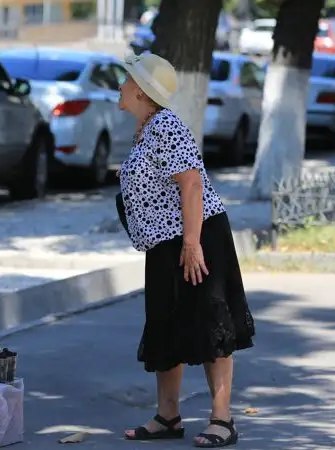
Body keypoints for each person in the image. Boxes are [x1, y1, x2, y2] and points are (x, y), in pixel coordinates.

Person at [116, 53, 256, 448]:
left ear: (142, 91)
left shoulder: (166, 126)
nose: (121, 85)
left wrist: (192, 244)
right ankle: (168, 415)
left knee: (212, 324)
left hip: (196, 237)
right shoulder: (147, 127)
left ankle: (222, 419)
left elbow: (191, 185)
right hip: (165, 244)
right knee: (166, 322)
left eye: (127, 79)